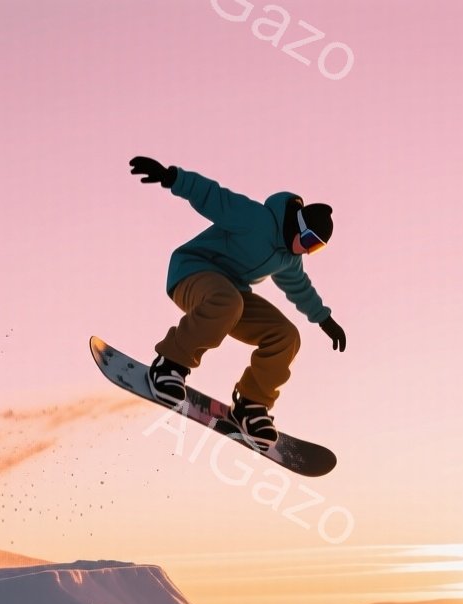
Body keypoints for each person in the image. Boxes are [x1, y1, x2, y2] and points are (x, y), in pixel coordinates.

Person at [128, 155, 345, 449]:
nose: (307, 252)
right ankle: (169, 365)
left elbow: (300, 288)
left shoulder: (288, 260)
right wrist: (171, 177)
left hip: (232, 295)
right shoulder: (257, 219)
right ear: (299, 226)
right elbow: (213, 196)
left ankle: (251, 405)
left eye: (315, 249)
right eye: (309, 242)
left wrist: (324, 320)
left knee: (286, 336)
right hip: (191, 273)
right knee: (227, 301)